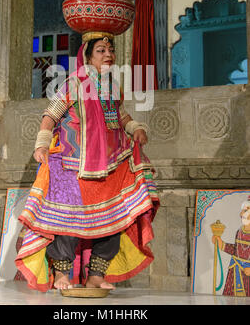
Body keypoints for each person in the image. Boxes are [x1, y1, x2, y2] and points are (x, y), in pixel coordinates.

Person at [15, 35, 159, 291]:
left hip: (110, 166)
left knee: (116, 218)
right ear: (88, 57)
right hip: (72, 166)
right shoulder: (73, 84)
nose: (108, 55)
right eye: (101, 50)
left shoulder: (112, 87)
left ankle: (96, 276)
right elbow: (51, 115)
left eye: (111, 50)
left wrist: (135, 128)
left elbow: (121, 115)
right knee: (69, 222)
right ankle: (62, 275)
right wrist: (41, 144)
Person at [212, 196, 250, 296]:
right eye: (242, 211)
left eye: (246, 211)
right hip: (235, 270)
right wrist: (221, 243)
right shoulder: (239, 231)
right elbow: (236, 249)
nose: (241, 214)